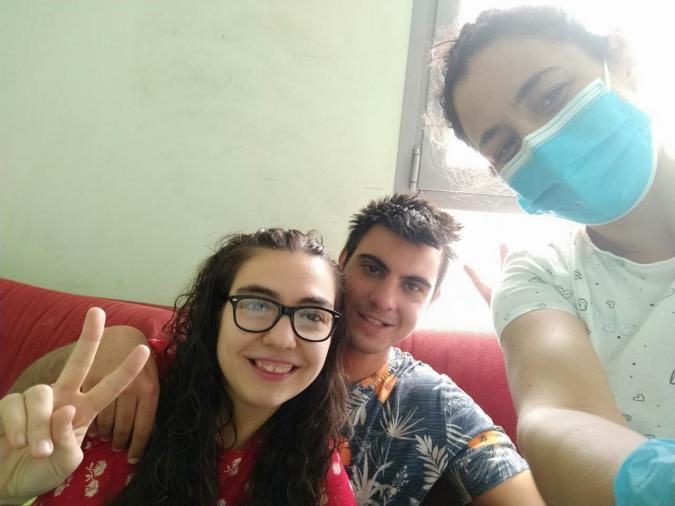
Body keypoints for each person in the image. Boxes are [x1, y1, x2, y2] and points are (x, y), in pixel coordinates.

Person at [6, 194, 544, 505]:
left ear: (432, 301)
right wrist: (112, 343)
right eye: (372, 268)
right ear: (341, 265)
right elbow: (43, 420)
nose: (384, 299)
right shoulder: (188, 361)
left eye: (413, 285)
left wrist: (531, 342)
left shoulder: (429, 405)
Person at [441, 6, 675, 505]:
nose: (542, 145)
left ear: (620, 59)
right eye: (506, 146)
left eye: (551, 95)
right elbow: (557, 419)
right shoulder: (541, 275)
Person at [0, 229, 356, 505]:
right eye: (256, 305)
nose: (282, 339)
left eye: (313, 315)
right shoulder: (122, 386)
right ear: (215, 316)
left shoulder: (314, 461)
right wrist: (8, 490)